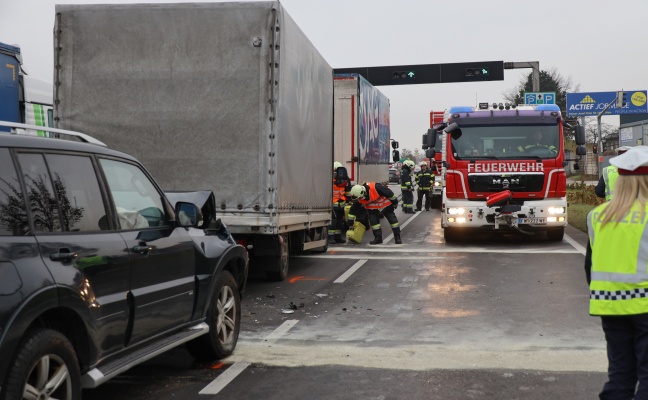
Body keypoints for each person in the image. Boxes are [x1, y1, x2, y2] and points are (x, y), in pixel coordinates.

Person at [585, 145, 648, 399]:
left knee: (620, 375)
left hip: (610, 307)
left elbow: (590, 265)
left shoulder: (597, 216)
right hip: (645, 306)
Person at [329, 161, 351, 244]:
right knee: (334, 221)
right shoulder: (331, 178)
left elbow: (348, 190)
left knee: (339, 221)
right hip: (334, 203)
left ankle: (337, 237)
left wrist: (349, 200)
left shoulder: (344, 179)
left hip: (341, 203)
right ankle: (331, 237)